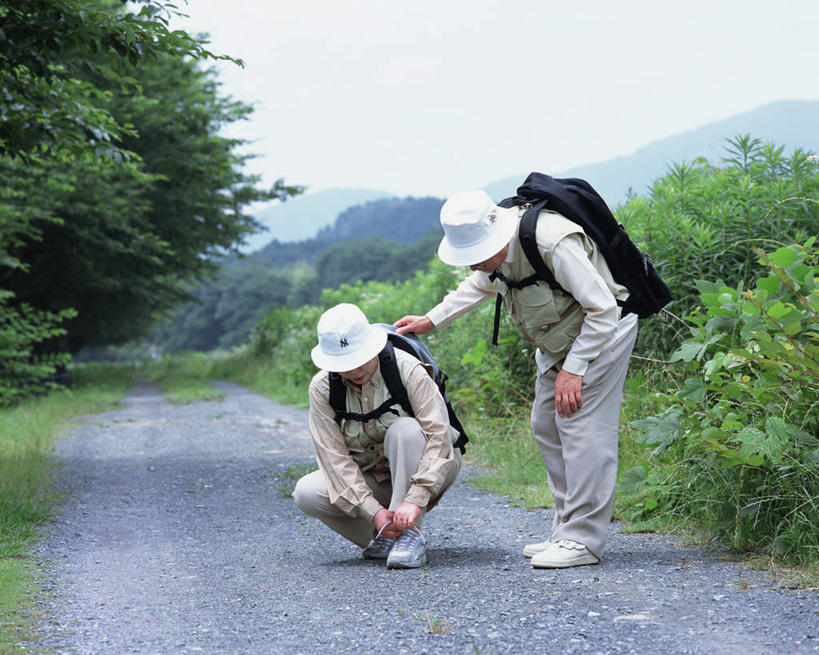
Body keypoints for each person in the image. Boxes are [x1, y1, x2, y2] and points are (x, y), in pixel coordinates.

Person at [395, 189, 638, 569]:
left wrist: (574, 369)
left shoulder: (552, 242)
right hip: (558, 342)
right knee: (546, 424)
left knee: (581, 428)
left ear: (497, 237)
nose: (474, 266)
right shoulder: (493, 258)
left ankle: (583, 539)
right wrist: (432, 319)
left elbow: (603, 309)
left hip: (602, 336)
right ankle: (565, 530)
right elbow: (479, 285)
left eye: (478, 255)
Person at [293, 303, 461, 569]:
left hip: (434, 466)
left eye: (359, 359)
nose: (354, 369)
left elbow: (439, 437)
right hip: (375, 476)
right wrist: (375, 513)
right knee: (307, 492)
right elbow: (334, 459)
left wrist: (415, 498)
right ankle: (385, 536)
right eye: (345, 364)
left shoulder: (407, 369)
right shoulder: (322, 388)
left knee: (405, 430)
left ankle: (409, 532)